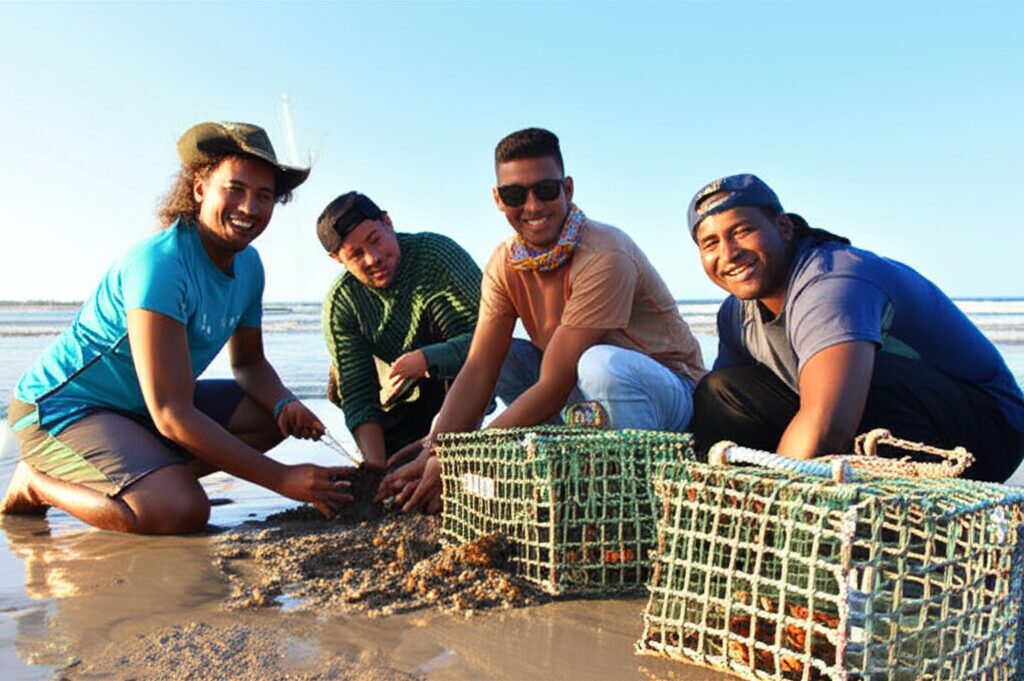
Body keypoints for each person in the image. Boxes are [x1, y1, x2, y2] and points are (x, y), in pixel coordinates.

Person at [1, 121, 352, 533]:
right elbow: (170, 412)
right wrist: (281, 478)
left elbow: (251, 365)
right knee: (179, 510)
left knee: (265, 416)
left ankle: (152, 476)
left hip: (137, 411)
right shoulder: (162, 265)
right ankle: (37, 484)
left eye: (264, 196)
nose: (250, 208)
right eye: (234, 189)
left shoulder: (250, 266)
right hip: (62, 410)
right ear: (200, 188)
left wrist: (284, 403)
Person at [378, 127, 706, 512]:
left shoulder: (604, 254)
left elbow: (555, 382)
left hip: (668, 396)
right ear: (498, 199)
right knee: (508, 358)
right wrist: (439, 447)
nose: (532, 206)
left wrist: (463, 458)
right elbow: (481, 365)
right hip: (585, 395)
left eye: (546, 190)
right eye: (516, 195)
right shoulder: (506, 262)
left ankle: (627, 491)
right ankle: (566, 456)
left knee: (601, 365)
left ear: (567, 188)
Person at [687, 173, 1024, 482]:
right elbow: (724, 413)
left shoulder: (832, 282)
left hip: (987, 432)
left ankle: (887, 524)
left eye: (742, 231)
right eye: (711, 244)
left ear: (784, 227)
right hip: (864, 416)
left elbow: (829, 425)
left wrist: (779, 509)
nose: (729, 254)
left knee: (854, 381)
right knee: (720, 391)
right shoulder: (735, 314)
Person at [317, 191, 483, 470]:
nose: (373, 258)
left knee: (440, 465)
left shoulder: (437, 257)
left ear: (388, 223)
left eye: (375, 240)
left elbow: (491, 340)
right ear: (337, 259)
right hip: (396, 401)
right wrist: (374, 470)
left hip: (460, 381)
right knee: (340, 385)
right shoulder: (341, 303)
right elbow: (358, 393)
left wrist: (428, 358)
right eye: (356, 254)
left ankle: (449, 446)